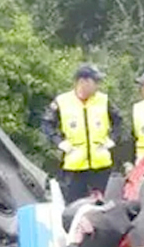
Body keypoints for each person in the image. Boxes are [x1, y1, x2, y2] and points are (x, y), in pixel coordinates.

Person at [42, 64, 123, 203]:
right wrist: (59, 142)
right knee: (74, 205)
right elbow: (47, 124)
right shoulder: (62, 101)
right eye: (95, 81)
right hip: (74, 165)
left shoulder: (104, 100)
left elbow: (119, 121)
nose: (97, 85)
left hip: (101, 165)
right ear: (82, 82)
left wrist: (112, 139)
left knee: (105, 205)